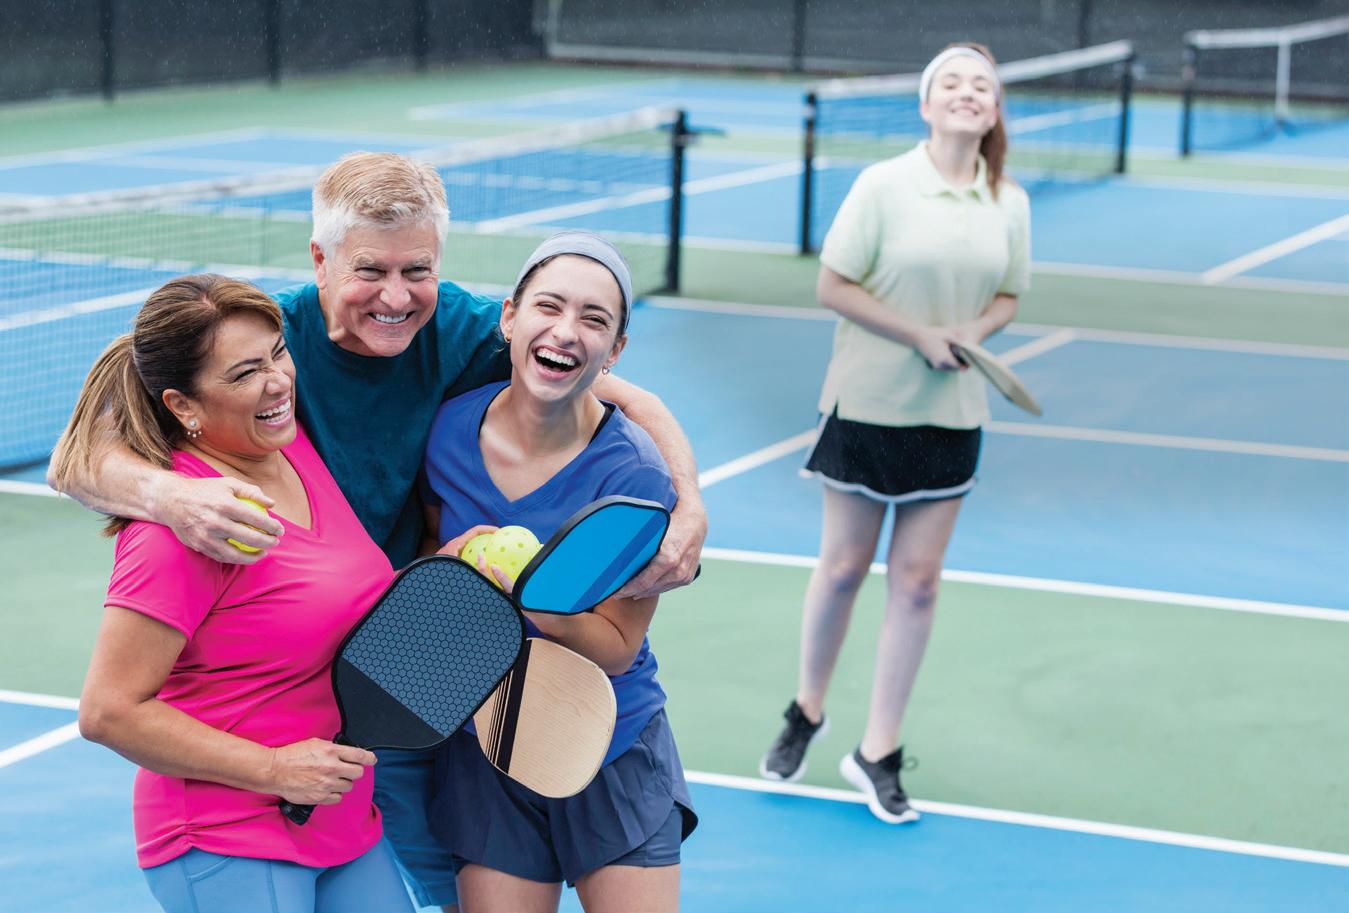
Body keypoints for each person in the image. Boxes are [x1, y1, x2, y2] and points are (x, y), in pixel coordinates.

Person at [48, 152, 707, 913]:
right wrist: (169, 494)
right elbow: (82, 452)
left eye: (416, 270)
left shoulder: (455, 329)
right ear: (319, 260)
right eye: (370, 270)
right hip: (301, 704)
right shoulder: (266, 345)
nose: (396, 296)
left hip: (417, 668)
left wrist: (689, 505)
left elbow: (615, 387)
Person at [52, 275, 413, 913]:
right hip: (226, 834)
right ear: (183, 406)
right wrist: (274, 771)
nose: (278, 382)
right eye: (246, 373)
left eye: (278, 353)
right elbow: (107, 711)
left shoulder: (291, 446)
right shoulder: (187, 528)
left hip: (340, 821)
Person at [759, 43, 1030, 825]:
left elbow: (1008, 294)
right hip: (866, 402)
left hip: (952, 415)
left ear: (993, 109)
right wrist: (917, 335)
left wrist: (972, 332)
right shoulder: (883, 185)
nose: (966, 93)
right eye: (952, 82)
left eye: (981, 86)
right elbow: (831, 284)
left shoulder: (1008, 201)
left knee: (916, 581)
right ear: (926, 103)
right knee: (843, 567)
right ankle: (807, 709)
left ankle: (877, 749)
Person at [420, 232, 695, 913]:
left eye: (594, 320)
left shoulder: (632, 474)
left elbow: (618, 645)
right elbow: (430, 552)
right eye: (549, 306)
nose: (566, 332)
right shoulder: (448, 432)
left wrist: (530, 600)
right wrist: (448, 566)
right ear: (510, 317)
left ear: (615, 350)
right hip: (488, 737)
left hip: (607, 736)